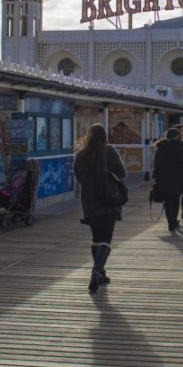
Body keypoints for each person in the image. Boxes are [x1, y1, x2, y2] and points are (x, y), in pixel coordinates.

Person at [73, 123, 127, 293]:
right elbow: (122, 172)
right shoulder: (108, 150)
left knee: (96, 238)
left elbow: (78, 176)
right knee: (106, 238)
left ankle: (101, 273)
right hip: (108, 199)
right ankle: (96, 270)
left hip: (89, 200)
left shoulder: (81, 154)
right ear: (104, 136)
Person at [153, 127, 183, 232]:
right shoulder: (178, 147)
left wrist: (157, 178)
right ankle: (174, 221)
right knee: (175, 200)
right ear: (176, 136)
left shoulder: (160, 148)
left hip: (163, 179)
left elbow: (156, 164)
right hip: (177, 178)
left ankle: (170, 222)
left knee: (167, 201)